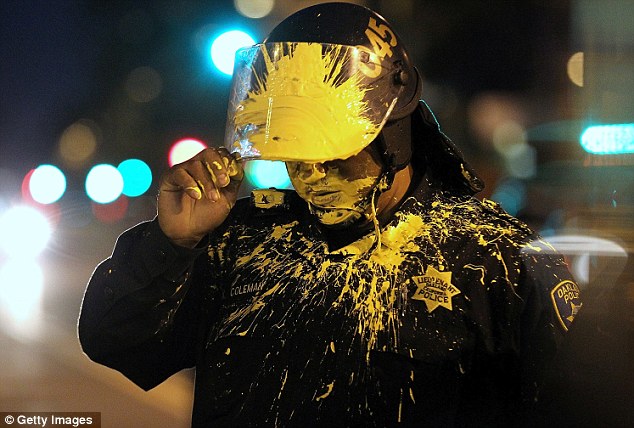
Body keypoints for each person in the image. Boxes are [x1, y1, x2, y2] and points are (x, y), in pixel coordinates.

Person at [78, 3, 582, 427]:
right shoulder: (242, 241)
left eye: (334, 154)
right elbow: (118, 342)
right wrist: (171, 244)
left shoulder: (496, 261)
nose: (312, 176)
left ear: (391, 133)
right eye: (295, 155)